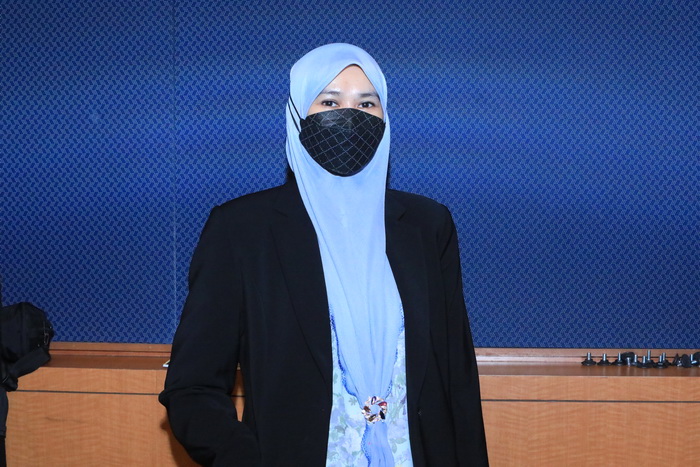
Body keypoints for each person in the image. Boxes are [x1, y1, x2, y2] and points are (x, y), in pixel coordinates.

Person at [159, 43, 489, 467]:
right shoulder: (242, 230)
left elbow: (457, 380)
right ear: (298, 112)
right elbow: (192, 387)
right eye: (329, 102)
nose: (349, 116)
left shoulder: (428, 226)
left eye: (367, 103)